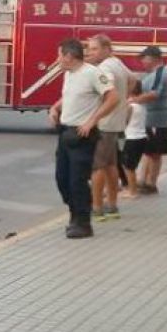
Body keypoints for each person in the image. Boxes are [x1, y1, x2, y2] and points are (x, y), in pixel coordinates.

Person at [48, 39, 118, 239]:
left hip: (82, 135)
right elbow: (70, 97)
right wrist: (55, 108)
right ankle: (74, 213)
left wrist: (92, 121)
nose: (58, 59)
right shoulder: (69, 74)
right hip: (65, 133)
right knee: (62, 179)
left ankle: (83, 222)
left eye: (59, 55)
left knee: (77, 180)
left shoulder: (93, 73)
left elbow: (113, 98)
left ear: (69, 56)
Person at [85, 35, 131, 221]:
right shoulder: (117, 63)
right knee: (111, 165)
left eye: (94, 49)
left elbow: (107, 92)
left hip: (103, 124)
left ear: (106, 49)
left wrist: (98, 113)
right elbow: (133, 80)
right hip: (115, 122)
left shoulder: (104, 68)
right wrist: (123, 104)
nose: (90, 52)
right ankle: (112, 206)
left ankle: (97, 208)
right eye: (89, 49)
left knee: (98, 167)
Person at [129, 46, 167, 194]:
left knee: (155, 152)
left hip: (157, 119)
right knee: (148, 151)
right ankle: (143, 180)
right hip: (151, 117)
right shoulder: (153, 73)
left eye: (144, 58)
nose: (142, 62)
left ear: (153, 58)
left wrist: (134, 100)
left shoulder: (161, 72)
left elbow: (154, 94)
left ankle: (151, 183)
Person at [122, 80, 148, 199]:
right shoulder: (142, 105)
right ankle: (133, 188)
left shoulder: (131, 106)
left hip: (133, 138)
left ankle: (132, 191)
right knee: (131, 165)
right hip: (141, 137)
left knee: (128, 166)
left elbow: (125, 121)